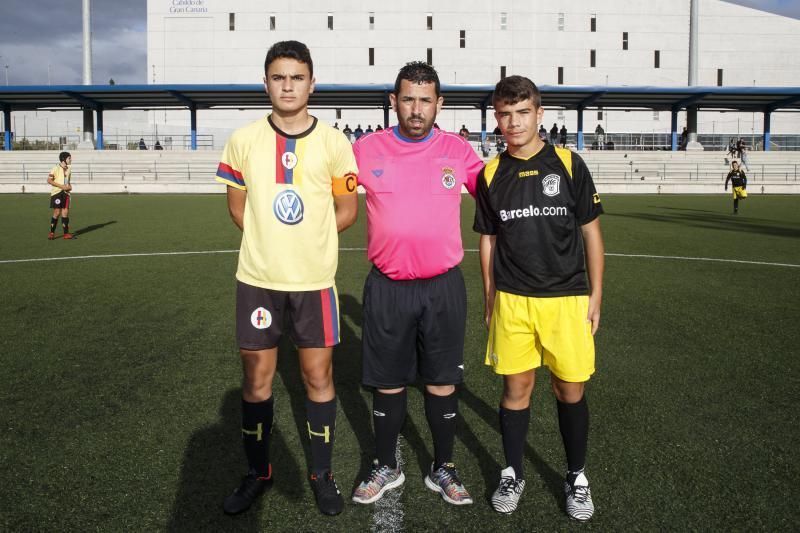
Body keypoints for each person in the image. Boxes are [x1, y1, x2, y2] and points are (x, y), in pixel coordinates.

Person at [214, 40, 358, 517]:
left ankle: (322, 474)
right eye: (279, 77)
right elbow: (239, 209)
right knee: (256, 381)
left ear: (312, 83)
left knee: (318, 376)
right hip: (258, 279)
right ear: (266, 83)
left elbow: (348, 208)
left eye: (297, 77)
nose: (288, 85)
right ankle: (258, 472)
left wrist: (308, 239)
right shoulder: (243, 139)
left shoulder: (336, 142)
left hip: (315, 282)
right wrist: (272, 241)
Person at [350, 61, 483, 507]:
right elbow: (326, 191)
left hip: (442, 286)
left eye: (425, 100)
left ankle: (442, 467)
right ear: (394, 102)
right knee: (387, 382)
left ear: (439, 104)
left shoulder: (459, 150)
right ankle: (386, 465)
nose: (416, 108)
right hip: (387, 287)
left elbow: (496, 194)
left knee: (441, 381)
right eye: (408, 98)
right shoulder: (365, 149)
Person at [473, 75, 605, 521]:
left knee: (569, 389)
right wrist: (489, 293)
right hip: (512, 299)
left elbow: (591, 231)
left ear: (539, 114)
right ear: (497, 117)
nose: (513, 122)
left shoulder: (569, 164)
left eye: (522, 112)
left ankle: (576, 476)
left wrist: (596, 294)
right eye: (505, 114)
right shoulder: (490, 173)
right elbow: (488, 240)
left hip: (566, 299)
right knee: (517, 388)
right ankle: (512, 471)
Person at [47, 151, 74, 240]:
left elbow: (67, 181)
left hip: (66, 194)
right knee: (57, 212)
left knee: (65, 212)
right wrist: (61, 186)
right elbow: (49, 180)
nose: (71, 159)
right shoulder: (55, 168)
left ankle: (66, 234)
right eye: (69, 158)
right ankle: (51, 232)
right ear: (63, 159)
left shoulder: (69, 169)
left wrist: (69, 186)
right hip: (57, 193)